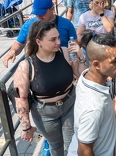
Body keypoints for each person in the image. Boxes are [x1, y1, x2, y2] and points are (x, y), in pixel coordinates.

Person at [13, 21, 83, 155]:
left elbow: (80, 75)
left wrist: (81, 57)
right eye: (53, 39)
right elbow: (21, 99)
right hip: (45, 113)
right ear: (38, 41)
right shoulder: (26, 65)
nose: (58, 41)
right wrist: (26, 127)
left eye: (58, 37)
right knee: (55, 146)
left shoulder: (64, 52)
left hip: (70, 105)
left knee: (72, 144)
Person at [68, 32, 116, 156]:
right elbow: (84, 152)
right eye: (114, 61)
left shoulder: (87, 76)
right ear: (96, 65)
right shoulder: (93, 108)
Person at [2, 0, 77, 68]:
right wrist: (13, 51)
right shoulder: (28, 25)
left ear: (52, 9)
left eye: (42, 13)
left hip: (62, 66)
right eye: (37, 13)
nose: (39, 16)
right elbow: (19, 44)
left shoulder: (66, 24)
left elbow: (75, 44)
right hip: (39, 68)